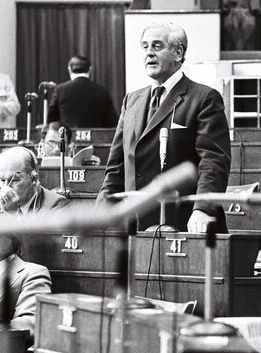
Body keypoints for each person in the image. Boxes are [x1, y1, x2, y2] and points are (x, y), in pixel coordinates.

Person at [97, 22, 231, 232]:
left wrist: (203, 209)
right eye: (145, 47)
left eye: (157, 46)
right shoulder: (131, 100)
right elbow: (116, 167)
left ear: (178, 53)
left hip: (184, 222)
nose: (149, 53)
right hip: (135, 225)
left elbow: (213, 159)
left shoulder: (204, 98)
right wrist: (101, 213)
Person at [0, 146, 69, 216]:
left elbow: (41, 246)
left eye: (14, 180)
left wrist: (11, 217)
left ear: (33, 178)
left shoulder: (57, 205)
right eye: (2, 180)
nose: (6, 187)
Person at [49, 55, 118, 128]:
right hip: (96, 137)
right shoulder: (103, 91)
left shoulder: (60, 89)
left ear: (69, 69)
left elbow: (52, 118)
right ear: (90, 69)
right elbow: (112, 121)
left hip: (67, 137)